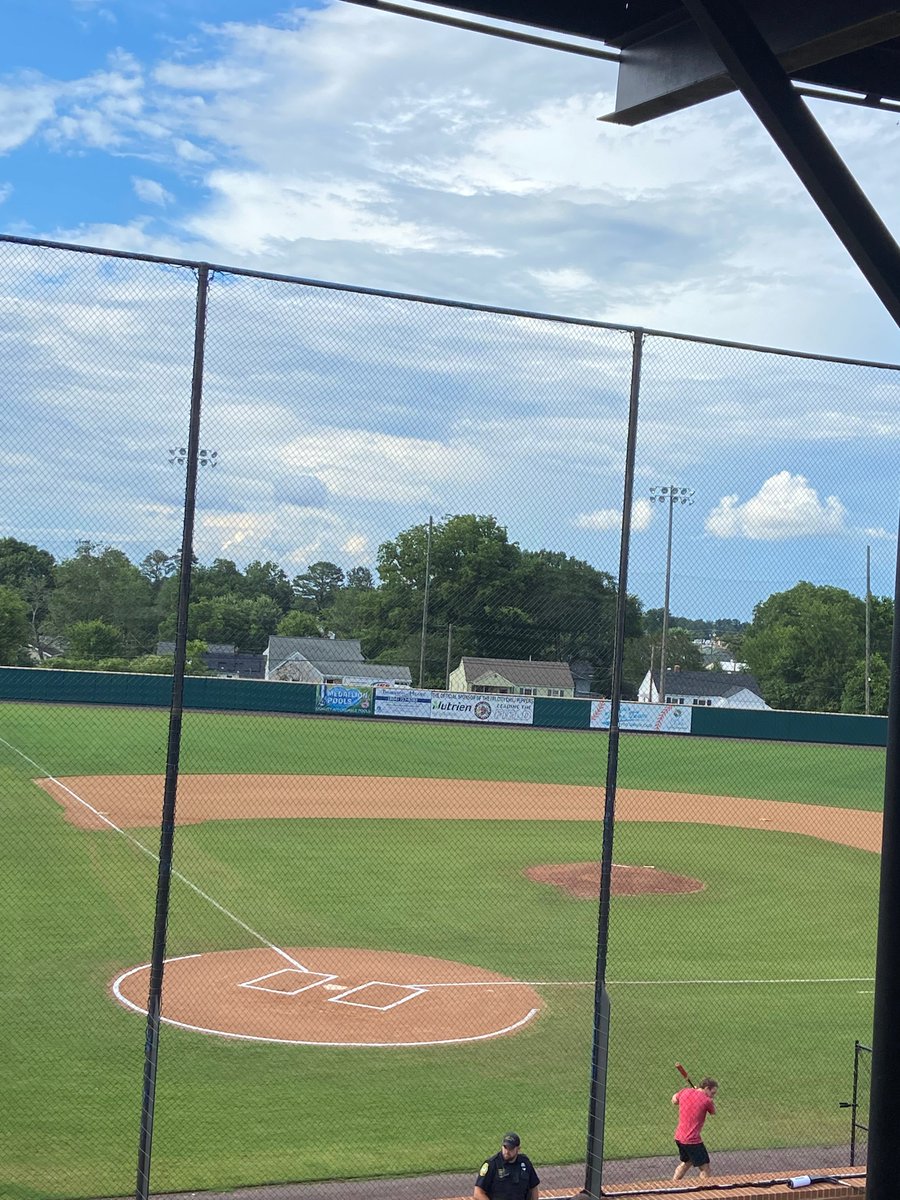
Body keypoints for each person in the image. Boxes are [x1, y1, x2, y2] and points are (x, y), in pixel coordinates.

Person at [671, 1077, 718, 1181]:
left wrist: (693, 1092)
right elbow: (714, 1112)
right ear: (706, 1088)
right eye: (713, 1093)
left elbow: (674, 1100)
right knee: (705, 1168)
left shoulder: (684, 1091)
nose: (713, 1096)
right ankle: (704, 1191)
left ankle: (673, 1185)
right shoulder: (707, 1100)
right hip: (692, 1140)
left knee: (687, 1163)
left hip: (679, 1138)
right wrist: (705, 1098)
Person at [474, 1132, 540, 1200]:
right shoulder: (492, 1164)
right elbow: (478, 1193)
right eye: (505, 1147)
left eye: (510, 1148)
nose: (507, 1151)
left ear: (518, 1149)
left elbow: (534, 1187)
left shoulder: (525, 1163)